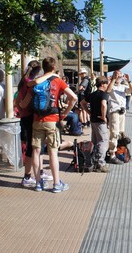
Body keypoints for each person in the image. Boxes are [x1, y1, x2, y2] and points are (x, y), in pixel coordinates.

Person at [30, 57, 77, 192]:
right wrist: (65, 113)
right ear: (54, 66)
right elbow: (73, 97)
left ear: (43, 67)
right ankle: (56, 184)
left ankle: (38, 183)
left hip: (37, 120)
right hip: (52, 120)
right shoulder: (58, 80)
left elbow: (24, 102)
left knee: (36, 151)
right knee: (53, 152)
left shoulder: (37, 82)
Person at [15, 61, 54, 187]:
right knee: (33, 149)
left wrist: (20, 109)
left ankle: (39, 172)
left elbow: (17, 100)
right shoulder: (30, 83)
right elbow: (23, 103)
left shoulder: (22, 81)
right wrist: (23, 106)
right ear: (38, 72)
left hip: (25, 117)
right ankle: (27, 176)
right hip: (30, 117)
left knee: (36, 148)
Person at [80, 76, 110, 172]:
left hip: (93, 120)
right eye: (106, 83)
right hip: (100, 121)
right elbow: (103, 105)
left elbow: (82, 103)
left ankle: (92, 161)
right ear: (102, 84)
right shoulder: (103, 95)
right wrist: (103, 116)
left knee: (95, 141)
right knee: (103, 141)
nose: (107, 85)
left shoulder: (92, 94)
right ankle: (100, 163)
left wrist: (89, 112)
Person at [106, 70, 132, 164]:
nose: (119, 77)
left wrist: (129, 81)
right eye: (117, 76)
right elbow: (108, 91)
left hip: (122, 111)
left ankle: (119, 151)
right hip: (114, 111)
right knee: (114, 133)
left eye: (120, 76)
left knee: (121, 133)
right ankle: (112, 155)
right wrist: (113, 79)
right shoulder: (110, 85)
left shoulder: (123, 86)